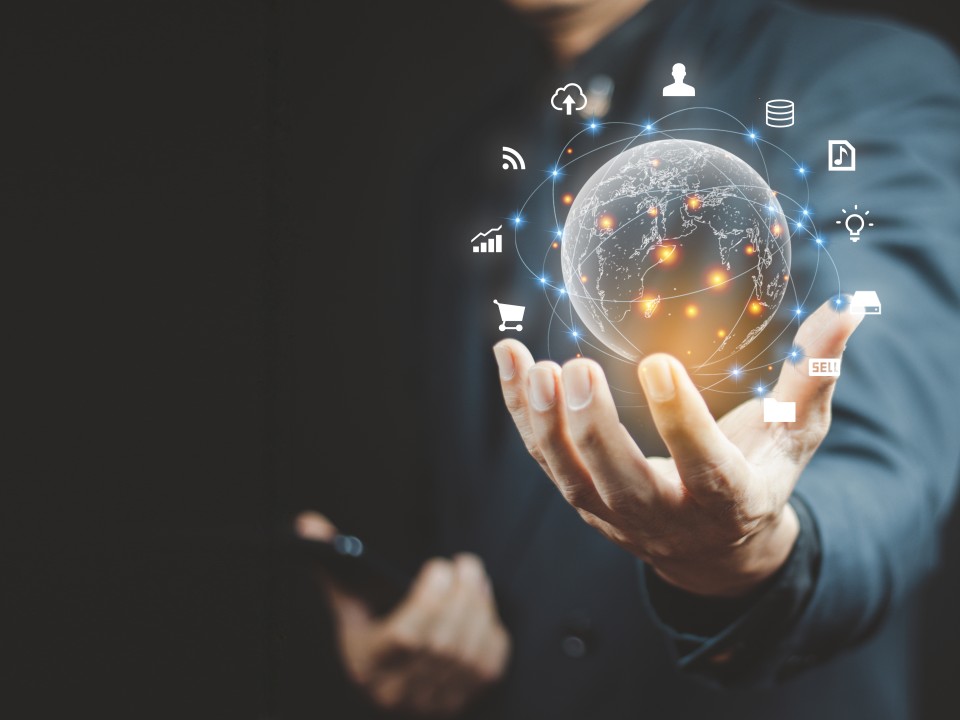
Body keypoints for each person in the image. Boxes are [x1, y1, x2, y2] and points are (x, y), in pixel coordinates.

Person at [303, 0, 960, 717]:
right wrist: (422, 629)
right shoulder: (459, 166)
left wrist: (755, 549)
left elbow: (887, 450)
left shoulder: (859, 78)